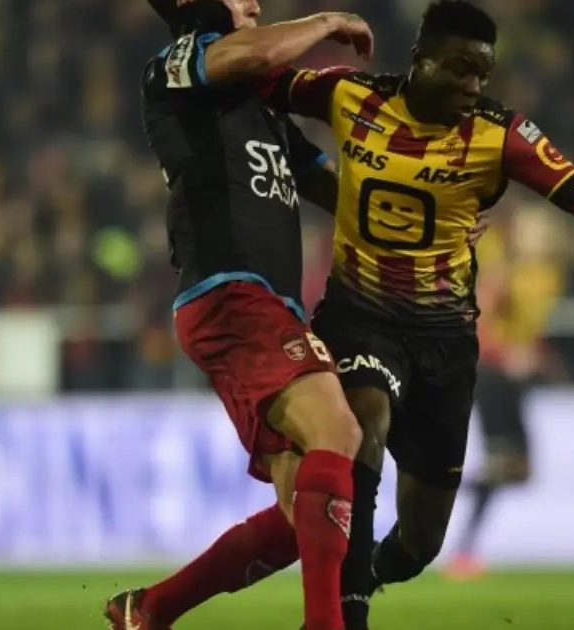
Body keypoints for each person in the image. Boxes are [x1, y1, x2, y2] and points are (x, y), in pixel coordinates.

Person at [265, 2, 574, 626]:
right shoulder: (350, 96)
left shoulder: (499, 135)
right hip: (359, 315)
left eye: (483, 73)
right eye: (461, 69)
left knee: (420, 542)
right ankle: (347, 615)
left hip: (445, 341)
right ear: (422, 59)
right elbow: (258, 84)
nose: (474, 85)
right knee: (361, 420)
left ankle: (360, 574)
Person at [104, 2, 375, 630]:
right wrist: (326, 23)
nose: (255, 3)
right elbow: (252, 51)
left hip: (264, 306)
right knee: (339, 431)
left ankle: (151, 609)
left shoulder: (259, 105)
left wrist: (416, 221)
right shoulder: (175, 66)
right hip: (231, 292)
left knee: (303, 508)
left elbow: (329, 187)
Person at [445, 207, 569, 580]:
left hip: (511, 380)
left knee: (517, 469)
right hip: (492, 374)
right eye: (534, 230)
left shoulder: (548, 276)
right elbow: (480, 320)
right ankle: (459, 543)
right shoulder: (505, 274)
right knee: (505, 464)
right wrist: (506, 354)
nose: (541, 236)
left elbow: (527, 327)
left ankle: (439, 486)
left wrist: (540, 356)